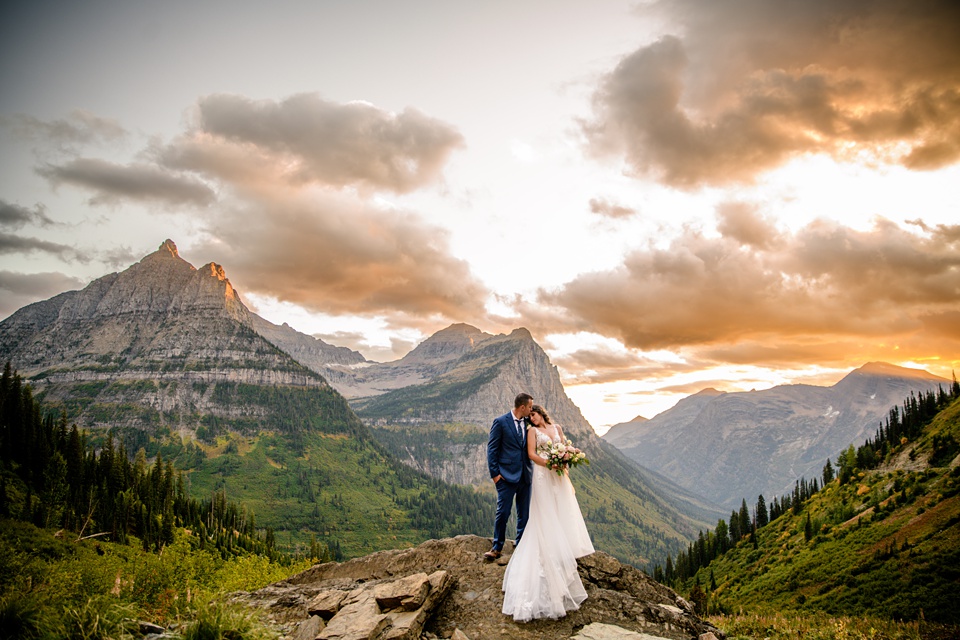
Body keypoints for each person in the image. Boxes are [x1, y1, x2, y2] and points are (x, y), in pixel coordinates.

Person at [501, 404, 594, 622]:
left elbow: (565, 448)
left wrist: (566, 460)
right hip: (543, 476)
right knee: (544, 515)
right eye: (529, 417)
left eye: (533, 415)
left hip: (559, 476)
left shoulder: (557, 428)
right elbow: (532, 455)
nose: (531, 419)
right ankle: (548, 554)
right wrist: (551, 463)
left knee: (562, 511)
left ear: (541, 412)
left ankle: (563, 548)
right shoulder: (532, 432)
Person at [484, 392, 535, 561]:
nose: (531, 409)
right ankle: (497, 547)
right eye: (529, 407)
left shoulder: (529, 423)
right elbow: (492, 449)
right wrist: (496, 476)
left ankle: (520, 546)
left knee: (524, 514)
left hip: (525, 476)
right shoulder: (500, 422)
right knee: (503, 513)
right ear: (522, 407)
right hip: (505, 477)